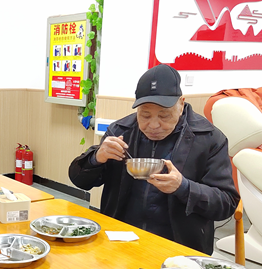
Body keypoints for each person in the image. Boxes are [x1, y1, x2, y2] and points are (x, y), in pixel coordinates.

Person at [68, 64, 239, 254]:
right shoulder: (121, 131)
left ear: (181, 104)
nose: (154, 125)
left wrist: (183, 187)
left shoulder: (209, 138)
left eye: (164, 115)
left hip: (179, 247)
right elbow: (79, 181)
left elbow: (226, 204)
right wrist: (96, 158)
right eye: (145, 115)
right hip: (120, 239)